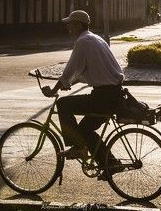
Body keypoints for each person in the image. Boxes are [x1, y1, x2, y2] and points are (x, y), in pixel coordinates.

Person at [41, 9, 124, 164]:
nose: (68, 27)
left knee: (63, 104)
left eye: (71, 24)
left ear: (79, 25)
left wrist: (54, 90)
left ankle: (77, 147)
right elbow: (88, 70)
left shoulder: (83, 42)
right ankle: (111, 164)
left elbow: (70, 70)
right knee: (85, 130)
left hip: (103, 96)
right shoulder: (96, 39)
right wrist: (70, 83)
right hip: (113, 94)